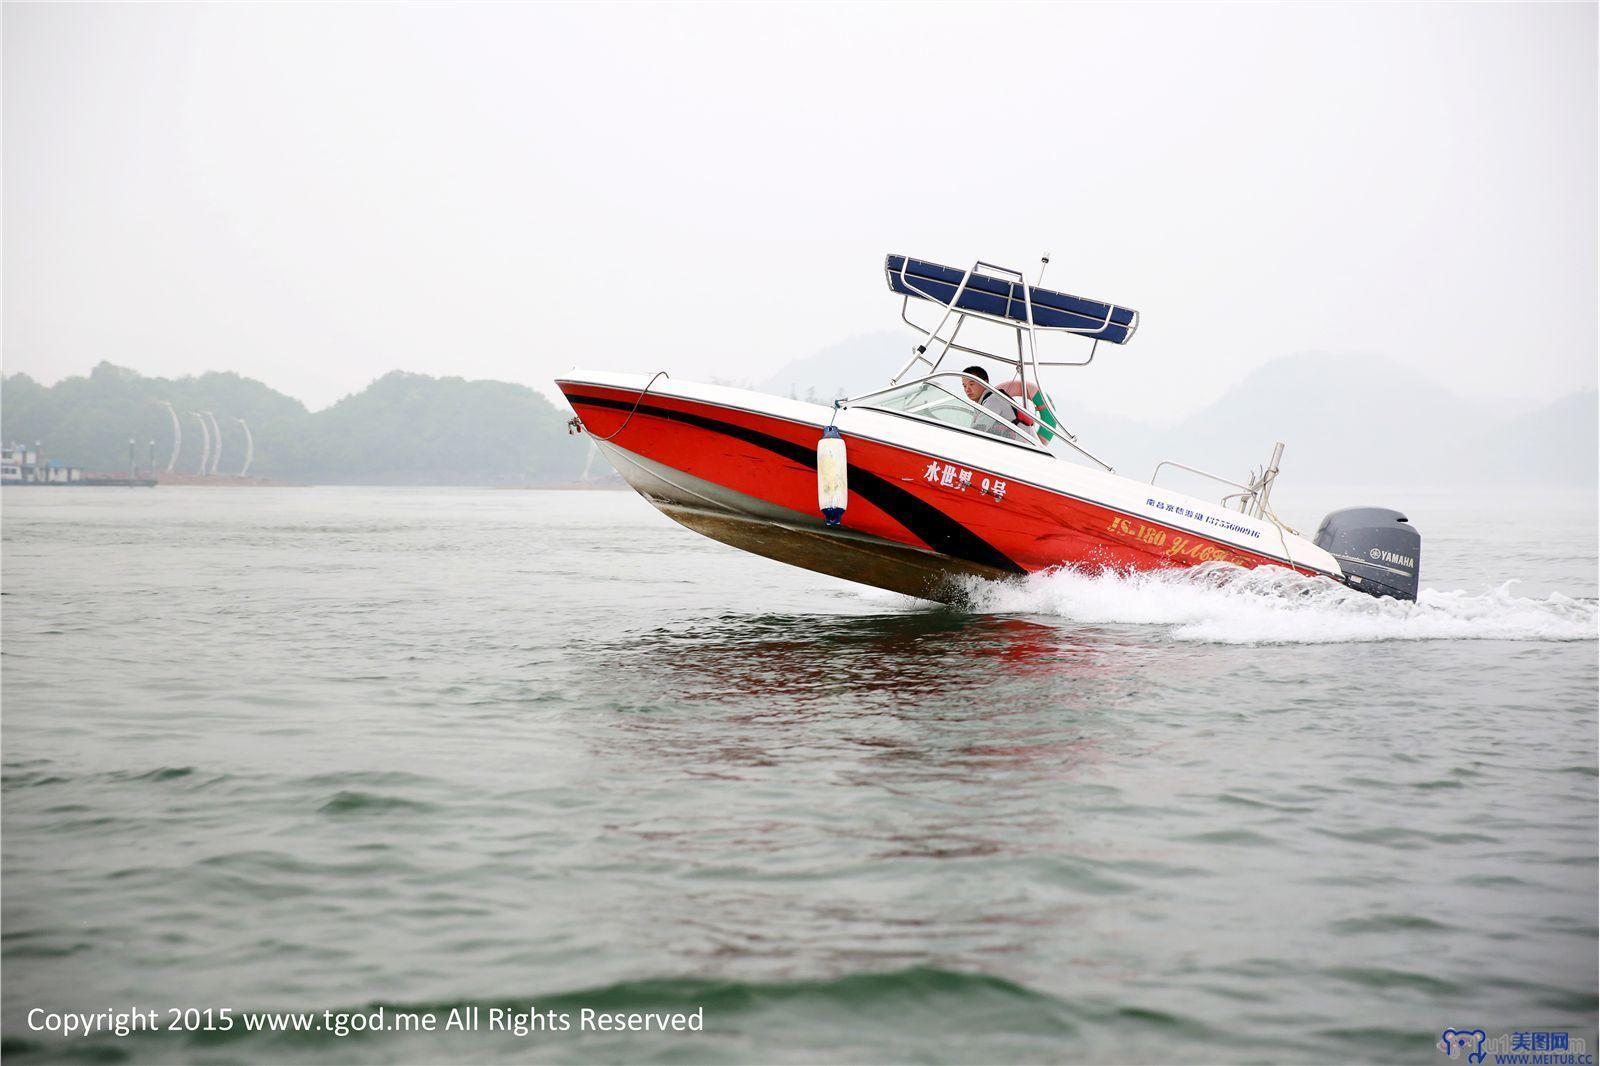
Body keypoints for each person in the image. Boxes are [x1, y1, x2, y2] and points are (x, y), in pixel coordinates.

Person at [960, 366, 1020, 431]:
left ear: (985, 383)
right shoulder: (980, 404)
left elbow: (978, 429)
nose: (967, 389)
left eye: (971, 384)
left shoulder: (994, 400)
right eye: (965, 386)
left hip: (1018, 440)